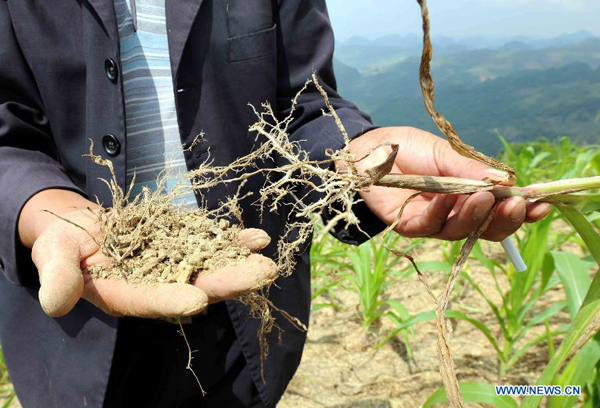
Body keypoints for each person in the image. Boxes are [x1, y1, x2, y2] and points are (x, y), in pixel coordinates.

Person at [0, 1, 550, 407]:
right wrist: (47, 210)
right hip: (76, 332)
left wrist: (356, 159)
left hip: (246, 314)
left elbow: (306, 107)